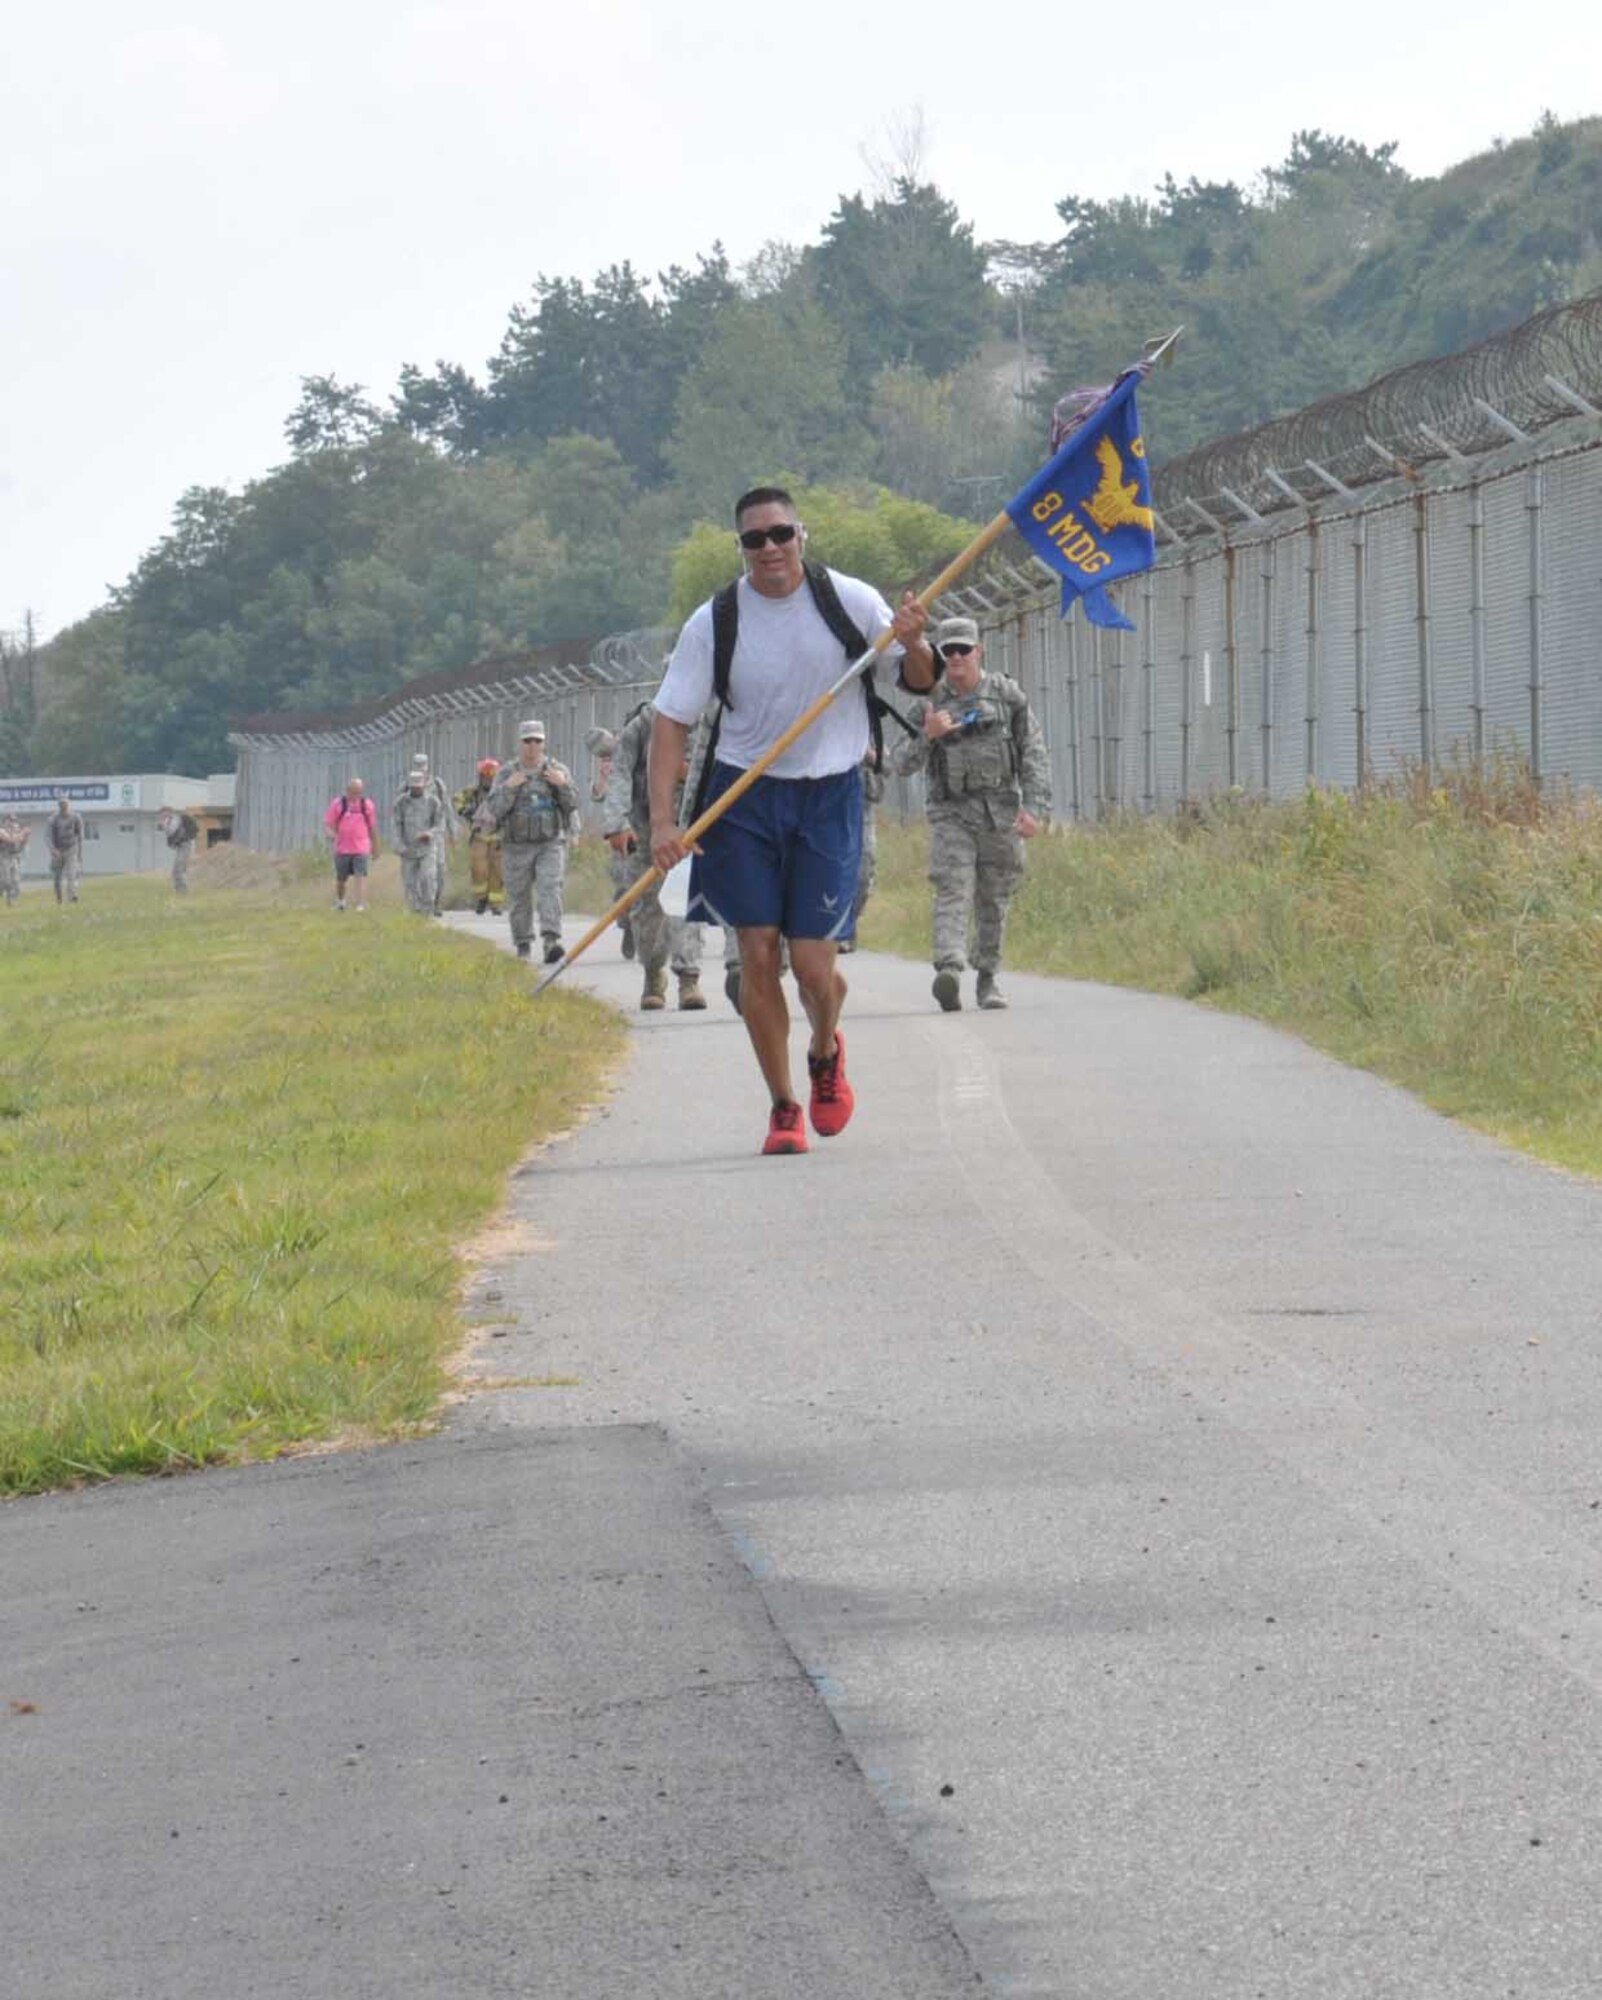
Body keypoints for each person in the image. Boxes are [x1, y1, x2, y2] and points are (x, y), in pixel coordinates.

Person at [648, 484, 935, 1156]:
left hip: (829, 796)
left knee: (812, 967)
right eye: (755, 539)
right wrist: (663, 822)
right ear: (741, 548)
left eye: (781, 534)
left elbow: (919, 680)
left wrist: (916, 642)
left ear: (802, 535)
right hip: (744, 796)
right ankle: (783, 1106)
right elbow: (670, 721)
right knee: (756, 953)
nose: (770, 548)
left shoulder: (849, 601)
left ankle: (824, 1051)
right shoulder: (715, 622)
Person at [892, 614, 1052, 1012]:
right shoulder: (929, 703)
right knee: (953, 887)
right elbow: (900, 762)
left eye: (964, 649)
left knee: (994, 897)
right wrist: (928, 736)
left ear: (979, 650)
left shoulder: (1006, 696)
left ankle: (988, 977)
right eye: (948, 651)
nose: (956, 657)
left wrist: (1035, 808)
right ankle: (949, 968)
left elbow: (1032, 751)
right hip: (951, 813)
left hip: (1000, 812)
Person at [602, 703, 706, 1012]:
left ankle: (689, 978)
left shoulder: (712, 720)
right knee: (647, 911)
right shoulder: (645, 723)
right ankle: (652, 974)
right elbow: (620, 773)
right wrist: (616, 823)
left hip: (690, 828)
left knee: (687, 901)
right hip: (645, 831)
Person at [481, 719, 576, 963]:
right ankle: (523, 943)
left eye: (537, 740)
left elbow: (572, 804)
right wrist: (509, 788)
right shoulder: (507, 773)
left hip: (549, 843)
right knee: (519, 896)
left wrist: (562, 785)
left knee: (550, 889)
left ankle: (551, 940)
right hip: (516, 845)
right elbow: (494, 810)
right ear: (520, 743)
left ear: (544, 742)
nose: (532, 746)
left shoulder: (556, 770)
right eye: (527, 741)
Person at [585, 725, 635, 960]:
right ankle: (628, 926)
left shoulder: (643, 752)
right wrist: (604, 777)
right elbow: (599, 795)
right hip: (622, 832)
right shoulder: (613, 763)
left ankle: (656, 935)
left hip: (649, 827)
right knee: (625, 886)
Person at [455, 758, 505, 915]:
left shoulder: (504, 793)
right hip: (479, 836)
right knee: (478, 868)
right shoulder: (473, 792)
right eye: (485, 777)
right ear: (480, 777)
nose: (488, 781)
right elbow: (457, 799)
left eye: (491, 777)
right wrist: (465, 811)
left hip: (498, 837)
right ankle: (481, 898)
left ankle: (496, 904)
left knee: (498, 871)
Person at [392, 766, 445, 914]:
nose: (416, 789)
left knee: (428, 877)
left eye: (419, 787)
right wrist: (400, 846)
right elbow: (396, 825)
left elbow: (440, 824)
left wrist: (429, 834)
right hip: (408, 848)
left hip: (427, 848)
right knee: (410, 882)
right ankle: (413, 910)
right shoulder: (401, 803)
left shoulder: (433, 802)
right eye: (413, 787)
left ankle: (428, 907)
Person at [409, 753, 456, 914]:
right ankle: (421, 904)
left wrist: (452, 831)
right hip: (415, 836)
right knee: (418, 872)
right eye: (417, 766)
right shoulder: (407, 786)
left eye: (422, 766)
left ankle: (435, 902)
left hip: (436, 834)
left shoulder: (437, 785)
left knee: (439, 870)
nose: (420, 770)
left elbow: (447, 807)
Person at [323, 777, 379, 910]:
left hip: (361, 848)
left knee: (360, 876)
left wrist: (375, 847)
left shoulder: (367, 805)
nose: (356, 796)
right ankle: (341, 901)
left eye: (359, 792)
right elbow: (328, 823)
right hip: (343, 848)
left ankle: (360, 904)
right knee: (341, 879)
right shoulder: (338, 804)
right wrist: (330, 833)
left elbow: (372, 827)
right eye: (353, 792)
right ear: (348, 790)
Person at [46, 794, 84, 904]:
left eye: (65, 803)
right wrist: (53, 849)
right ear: (59, 805)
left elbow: (80, 835)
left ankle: (72, 897)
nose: (63, 806)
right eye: (61, 803)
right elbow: (47, 837)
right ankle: (59, 899)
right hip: (58, 850)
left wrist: (79, 853)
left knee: (71, 874)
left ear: (69, 804)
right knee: (57, 878)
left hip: (71, 849)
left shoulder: (76, 817)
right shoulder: (53, 819)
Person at [158, 806, 200, 893]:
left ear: (168, 812)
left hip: (186, 845)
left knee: (179, 868)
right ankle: (179, 890)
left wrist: (164, 825)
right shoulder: (171, 820)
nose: (161, 815)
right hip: (182, 846)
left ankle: (182, 891)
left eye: (162, 813)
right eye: (161, 814)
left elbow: (171, 831)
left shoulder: (175, 819)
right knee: (177, 869)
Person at [0, 812, 29, 904]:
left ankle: (11, 901)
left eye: (14, 820)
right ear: (5, 821)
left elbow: (21, 844)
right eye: (10, 820)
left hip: (14, 857)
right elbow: (10, 839)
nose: (12, 822)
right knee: (5, 881)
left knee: (15, 881)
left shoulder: (17, 830)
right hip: (4, 857)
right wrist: (22, 833)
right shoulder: (2, 830)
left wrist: (26, 837)